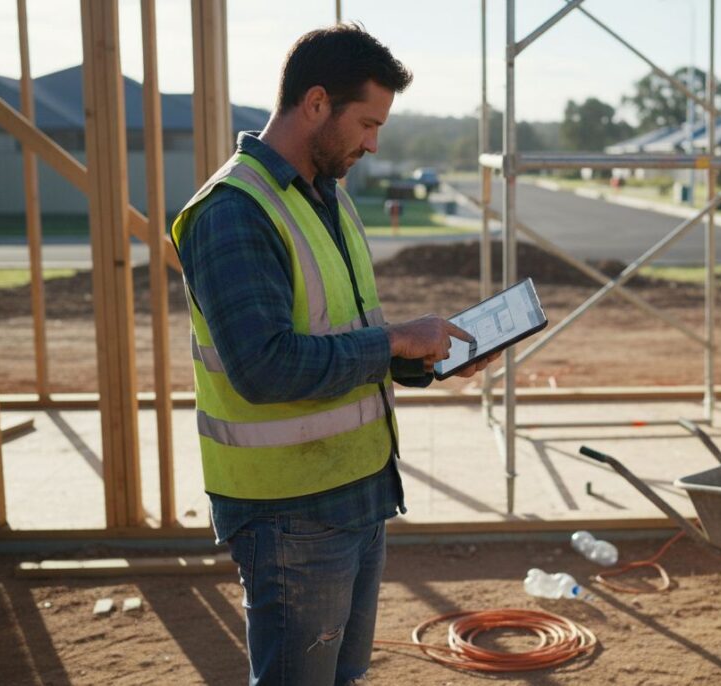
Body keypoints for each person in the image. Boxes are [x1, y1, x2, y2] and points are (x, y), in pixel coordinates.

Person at [171, 24, 496, 686]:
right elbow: (265, 368)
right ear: (316, 102)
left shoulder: (327, 196)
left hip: (354, 490)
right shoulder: (236, 212)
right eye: (368, 123)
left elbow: (346, 336)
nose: (374, 144)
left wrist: (424, 358)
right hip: (290, 514)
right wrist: (395, 340)